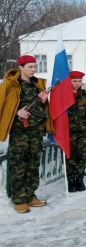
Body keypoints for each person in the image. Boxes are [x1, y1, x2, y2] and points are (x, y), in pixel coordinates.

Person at [0, 54, 54, 213]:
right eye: (30, 67)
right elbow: (3, 104)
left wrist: (44, 100)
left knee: (33, 165)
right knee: (19, 166)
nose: (33, 70)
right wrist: (17, 112)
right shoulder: (12, 84)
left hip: (36, 132)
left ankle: (30, 196)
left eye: (34, 66)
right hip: (19, 132)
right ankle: (18, 199)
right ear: (21, 67)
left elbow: (43, 111)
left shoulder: (37, 85)